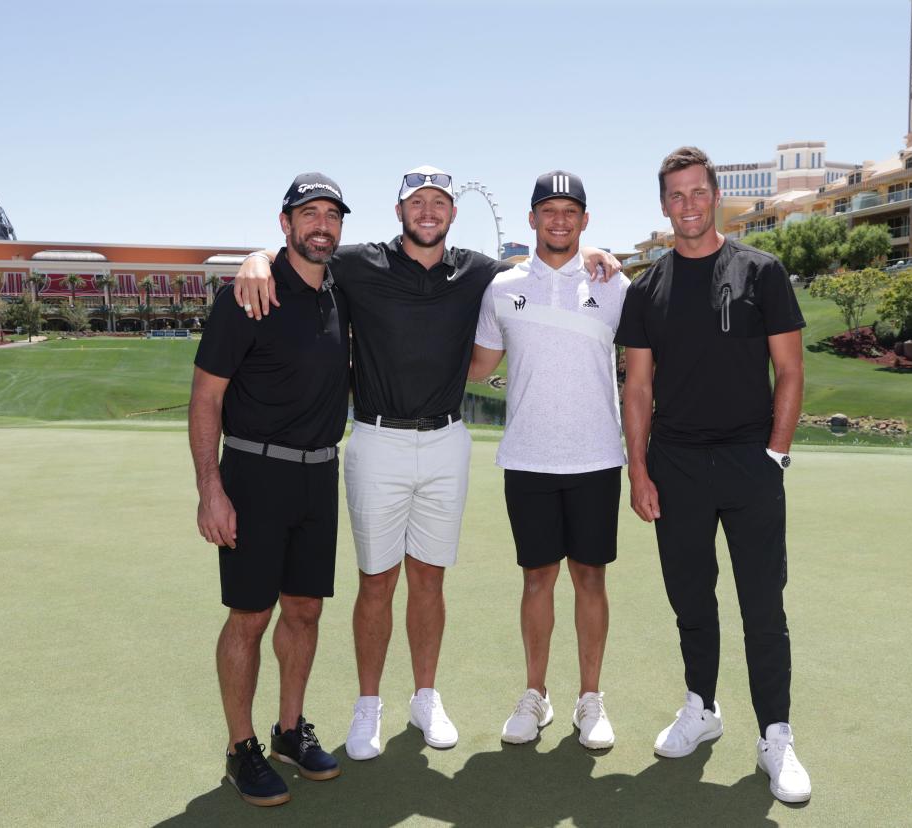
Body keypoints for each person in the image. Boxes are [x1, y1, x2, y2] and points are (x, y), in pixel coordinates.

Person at [231, 166, 620, 759]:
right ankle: (369, 706)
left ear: (453, 213)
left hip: (445, 441)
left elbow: (547, 257)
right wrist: (255, 257)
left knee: (429, 579)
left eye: (440, 202)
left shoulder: (479, 271)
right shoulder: (359, 263)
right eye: (418, 203)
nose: (429, 211)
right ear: (399, 211)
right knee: (376, 581)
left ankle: (425, 696)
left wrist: (590, 250)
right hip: (376, 439)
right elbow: (304, 250)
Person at [615, 147, 812, 803]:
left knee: (764, 605)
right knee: (691, 602)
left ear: (716, 195)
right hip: (675, 467)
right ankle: (701, 707)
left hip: (750, 463)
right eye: (676, 196)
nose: (689, 205)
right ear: (663, 204)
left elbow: (789, 370)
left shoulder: (762, 271)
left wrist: (776, 454)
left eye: (698, 193)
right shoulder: (647, 290)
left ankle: (775, 736)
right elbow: (637, 388)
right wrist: (638, 471)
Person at [188, 172, 349, 806]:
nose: (322, 226)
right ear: (284, 223)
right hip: (254, 475)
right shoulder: (248, 293)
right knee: (250, 615)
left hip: (319, 474)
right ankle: (240, 747)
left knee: (305, 610)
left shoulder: (342, 289)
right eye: (309, 214)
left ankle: (288, 731)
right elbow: (206, 397)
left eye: (332, 216)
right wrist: (211, 489)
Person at [468, 171, 629, 750]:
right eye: (548, 211)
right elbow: (477, 367)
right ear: (531, 219)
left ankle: (591, 699)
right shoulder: (501, 286)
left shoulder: (614, 283)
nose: (559, 220)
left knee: (590, 577)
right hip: (529, 457)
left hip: (596, 457)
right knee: (537, 578)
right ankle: (535, 695)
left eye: (570, 212)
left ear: (585, 220)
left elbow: (641, 369)